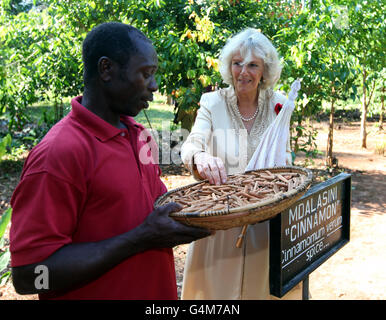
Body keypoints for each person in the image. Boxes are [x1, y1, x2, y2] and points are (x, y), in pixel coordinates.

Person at [9, 22, 211, 300]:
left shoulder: (137, 135)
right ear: (106, 69)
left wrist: (220, 205)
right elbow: (29, 276)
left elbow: (153, 210)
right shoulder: (59, 153)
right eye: (145, 74)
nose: (154, 86)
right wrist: (139, 239)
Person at [180, 28, 301, 299]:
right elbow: (191, 144)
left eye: (252, 65)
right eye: (237, 63)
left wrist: (285, 169)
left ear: (264, 71)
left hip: (265, 226)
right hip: (220, 223)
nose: (243, 72)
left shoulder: (280, 104)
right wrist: (200, 157)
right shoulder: (212, 102)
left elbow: (287, 155)